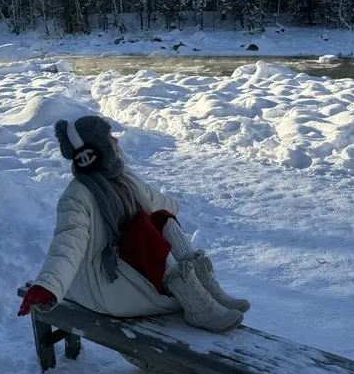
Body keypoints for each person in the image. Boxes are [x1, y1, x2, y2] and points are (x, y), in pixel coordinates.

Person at [18, 116, 250, 333]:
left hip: (129, 265)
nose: (116, 140)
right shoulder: (77, 197)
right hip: (104, 283)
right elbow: (68, 244)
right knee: (142, 229)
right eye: (109, 138)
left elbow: (156, 201)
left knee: (160, 218)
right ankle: (198, 305)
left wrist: (171, 215)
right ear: (97, 151)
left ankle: (206, 289)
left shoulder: (123, 176)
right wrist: (48, 285)